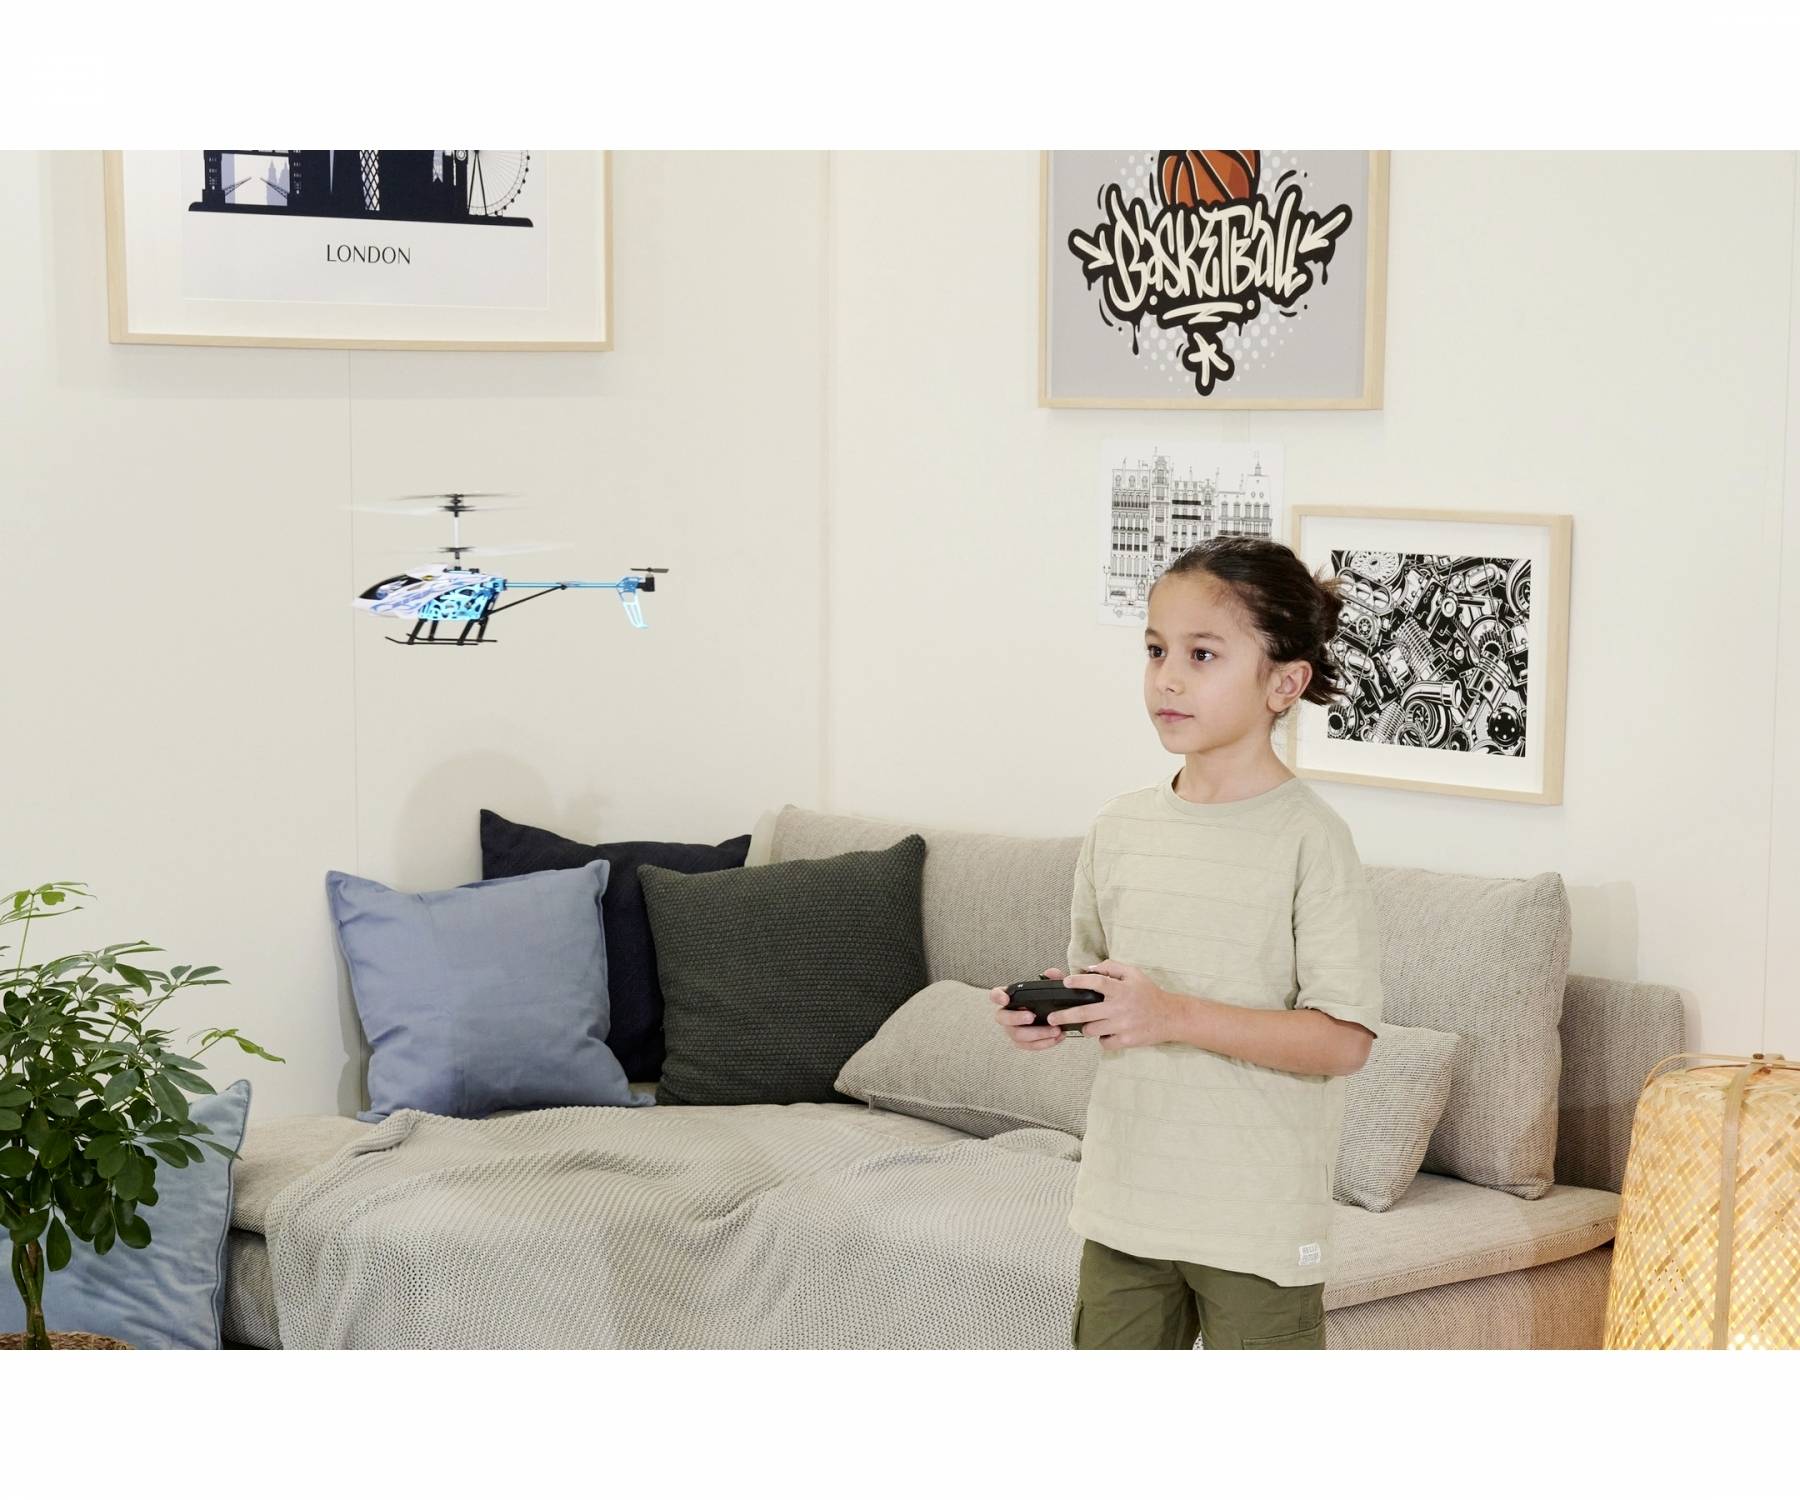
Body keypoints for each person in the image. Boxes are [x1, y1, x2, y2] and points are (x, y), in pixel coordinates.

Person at [989, 536, 1383, 1350]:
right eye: (1156, 650)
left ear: (1285, 682)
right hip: (1125, 1205)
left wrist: (1169, 1014)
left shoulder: (1312, 840)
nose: (1167, 677)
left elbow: (1343, 1041)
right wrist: (1054, 1012)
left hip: (1258, 1225)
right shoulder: (1118, 828)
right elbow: (1108, 990)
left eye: (1202, 654)